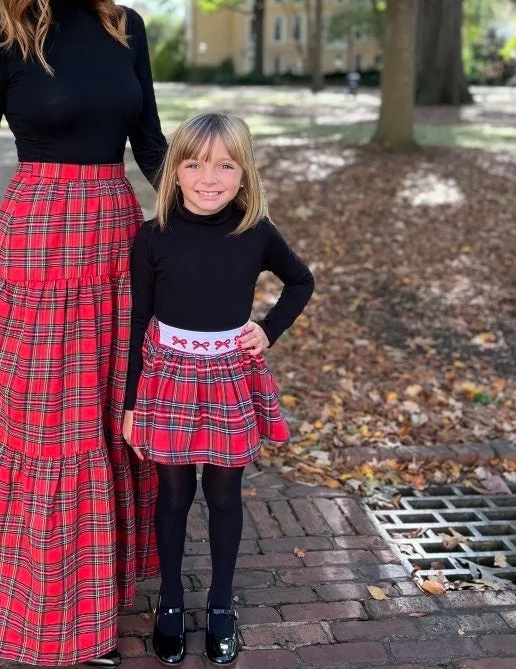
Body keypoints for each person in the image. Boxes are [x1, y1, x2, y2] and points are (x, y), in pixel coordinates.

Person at [0, 0, 165, 665]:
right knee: (52, 431)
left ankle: (98, 600)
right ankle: (52, 615)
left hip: (116, 243)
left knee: (113, 421)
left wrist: (213, 217)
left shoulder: (127, 29)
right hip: (36, 252)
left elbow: (151, 145)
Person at [123, 113, 314, 665]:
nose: (210, 178)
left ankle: (223, 603)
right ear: (175, 172)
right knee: (175, 496)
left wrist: (268, 329)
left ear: (244, 172)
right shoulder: (154, 235)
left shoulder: (255, 233)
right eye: (195, 164)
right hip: (167, 380)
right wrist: (133, 403)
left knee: (224, 495)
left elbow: (301, 280)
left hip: (230, 376)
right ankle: (173, 604)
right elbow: (139, 322)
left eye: (225, 165)